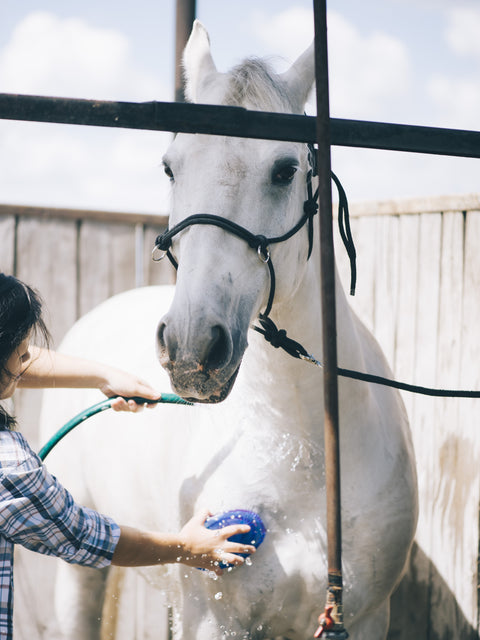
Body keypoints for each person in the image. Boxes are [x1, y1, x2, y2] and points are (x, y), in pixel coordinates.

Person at [0, 273, 254, 639]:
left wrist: (105, 375)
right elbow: (82, 534)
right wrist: (187, 547)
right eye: (22, 352)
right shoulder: (10, 467)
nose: (28, 361)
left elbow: (15, 361)